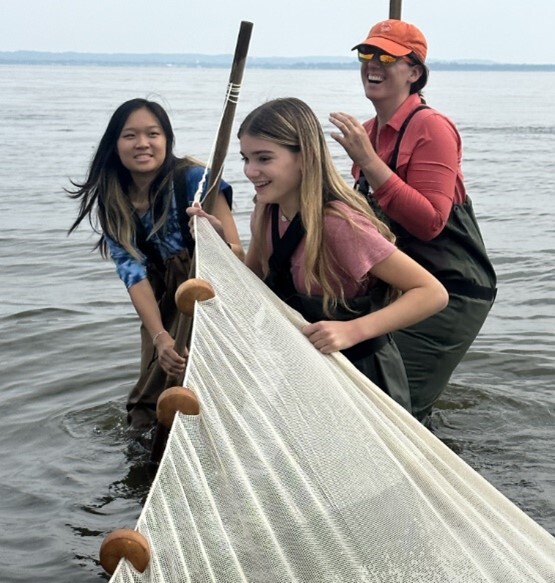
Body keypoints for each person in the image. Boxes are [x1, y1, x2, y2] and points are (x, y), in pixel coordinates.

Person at [190, 97, 448, 412]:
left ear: (304, 156)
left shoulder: (337, 224)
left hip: (363, 377)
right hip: (304, 369)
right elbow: (256, 279)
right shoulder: (265, 211)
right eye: (245, 158)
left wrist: (352, 330)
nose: (250, 171)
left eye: (264, 158)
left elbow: (432, 293)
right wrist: (218, 244)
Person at [329, 19, 497, 424]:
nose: (374, 63)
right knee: (364, 388)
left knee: (393, 408)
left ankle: (424, 480)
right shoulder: (368, 131)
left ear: (415, 72)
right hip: (401, 288)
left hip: (451, 292)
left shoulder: (431, 127)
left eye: (388, 56)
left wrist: (369, 162)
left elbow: (430, 223)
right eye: (366, 53)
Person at [67, 98, 241, 430]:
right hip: (161, 306)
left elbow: (239, 258)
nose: (142, 143)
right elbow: (132, 274)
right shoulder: (113, 198)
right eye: (130, 135)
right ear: (114, 145)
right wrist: (160, 336)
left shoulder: (195, 180)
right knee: (150, 404)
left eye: (153, 133)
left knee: (210, 395)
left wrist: (216, 239)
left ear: (167, 139)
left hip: (209, 296)